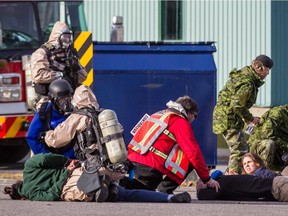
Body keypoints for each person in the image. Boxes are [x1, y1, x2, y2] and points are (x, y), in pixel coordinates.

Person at [123, 95, 220, 194]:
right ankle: (165, 189)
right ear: (190, 114)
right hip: (151, 166)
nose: (194, 119)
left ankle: (116, 183)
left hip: (134, 162)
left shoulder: (158, 114)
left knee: (143, 189)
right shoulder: (179, 122)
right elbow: (193, 152)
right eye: (195, 116)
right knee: (190, 159)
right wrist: (206, 179)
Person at [4, 153, 191, 203]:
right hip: (76, 173)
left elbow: (51, 196)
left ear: (21, 197)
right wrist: (66, 163)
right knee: (114, 183)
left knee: (127, 195)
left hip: (71, 187)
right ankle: (107, 180)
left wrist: (61, 181)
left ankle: (103, 190)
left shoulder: (30, 193)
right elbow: (45, 158)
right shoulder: (29, 167)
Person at [212, 55, 273, 175]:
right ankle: (232, 180)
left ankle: (231, 176)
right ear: (259, 68)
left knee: (241, 148)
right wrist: (251, 118)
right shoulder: (247, 83)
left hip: (227, 117)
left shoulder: (243, 76)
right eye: (267, 70)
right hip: (228, 118)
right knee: (239, 150)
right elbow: (237, 105)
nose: (267, 74)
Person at [30, 21, 87, 108]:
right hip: (47, 99)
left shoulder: (70, 54)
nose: (67, 40)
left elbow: (83, 76)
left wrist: (76, 71)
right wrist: (60, 75)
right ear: (57, 37)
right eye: (65, 37)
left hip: (69, 99)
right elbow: (38, 75)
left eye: (69, 37)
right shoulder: (43, 53)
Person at [196, 153, 288, 202]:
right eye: (244, 164)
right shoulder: (234, 180)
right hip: (277, 189)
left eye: (249, 162)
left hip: (279, 186)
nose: (247, 165)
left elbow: (204, 196)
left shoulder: (223, 181)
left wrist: (201, 188)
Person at [26, 79, 75, 158]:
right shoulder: (44, 112)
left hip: (70, 157)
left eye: (69, 98)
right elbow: (32, 137)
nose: (66, 103)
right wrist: (48, 158)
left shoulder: (76, 112)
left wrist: (67, 158)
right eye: (62, 99)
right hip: (48, 155)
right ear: (53, 99)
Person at [248, 105, 288, 172]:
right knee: (269, 143)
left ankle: (277, 171)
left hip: (278, 150)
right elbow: (267, 135)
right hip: (259, 146)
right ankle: (264, 173)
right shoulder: (278, 113)